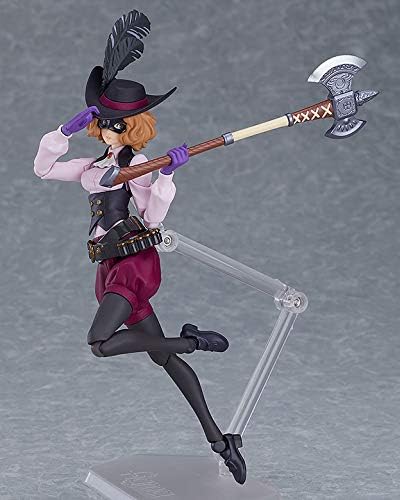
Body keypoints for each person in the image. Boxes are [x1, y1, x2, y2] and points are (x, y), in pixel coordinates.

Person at [33, 9, 246, 485]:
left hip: (132, 262)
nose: (106, 129)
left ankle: (195, 341)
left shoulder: (140, 165)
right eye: (102, 121)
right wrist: (64, 132)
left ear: (133, 126)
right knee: (161, 357)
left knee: (100, 344)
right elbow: (43, 169)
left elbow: (152, 218)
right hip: (107, 264)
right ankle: (220, 440)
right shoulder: (93, 167)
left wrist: (165, 175)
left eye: (115, 123)